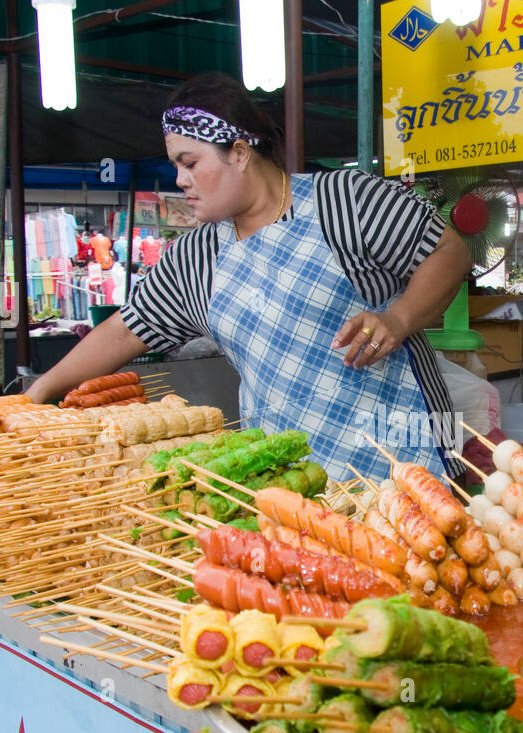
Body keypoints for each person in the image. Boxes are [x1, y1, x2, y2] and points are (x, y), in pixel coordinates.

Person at [25, 72, 471, 480]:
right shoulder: (195, 257)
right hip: (290, 475)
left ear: (239, 153)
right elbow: (125, 332)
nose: (180, 179)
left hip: (403, 458)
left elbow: (450, 252)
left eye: (190, 162)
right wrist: (38, 394)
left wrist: (398, 318)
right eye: (176, 166)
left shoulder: (344, 200)